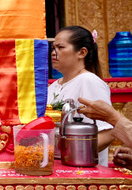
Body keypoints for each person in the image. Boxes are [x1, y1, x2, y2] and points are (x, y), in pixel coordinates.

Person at [48, 26, 114, 165]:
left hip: (82, 168)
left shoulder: (89, 81)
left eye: (60, 47)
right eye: (53, 48)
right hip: (58, 164)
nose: (54, 53)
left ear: (82, 52)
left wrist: (73, 154)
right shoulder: (53, 86)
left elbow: (108, 132)